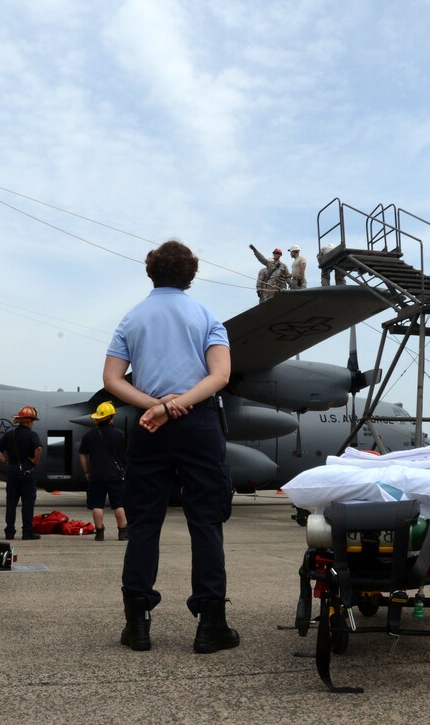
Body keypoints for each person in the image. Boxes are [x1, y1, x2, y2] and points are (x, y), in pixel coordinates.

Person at [103, 239, 239, 655]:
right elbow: (221, 375)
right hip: (198, 423)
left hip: (148, 425)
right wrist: (179, 404)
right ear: (191, 275)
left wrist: (157, 407)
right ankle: (210, 625)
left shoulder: (131, 319)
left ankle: (138, 624)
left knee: (145, 523)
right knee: (205, 522)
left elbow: (113, 379)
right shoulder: (206, 316)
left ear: (151, 272)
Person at [0, 406, 43, 540]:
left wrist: (5, 461)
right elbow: (38, 449)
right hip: (27, 471)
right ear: (29, 421)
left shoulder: (10, 434)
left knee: (11, 504)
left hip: (13, 471)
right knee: (27, 504)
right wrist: (35, 462)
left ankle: (9, 532)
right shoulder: (32, 435)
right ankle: (27, 533)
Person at [79, 401, 128, 541]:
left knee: (97, 505)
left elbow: (82, 454)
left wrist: (87, 471)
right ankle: (123, 532)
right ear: (111, 417)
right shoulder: (120, 434)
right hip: (116, 476)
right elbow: (127, 455)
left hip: (96, 476)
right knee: (118, 505)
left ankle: (99, 533)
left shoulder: (88, 436)